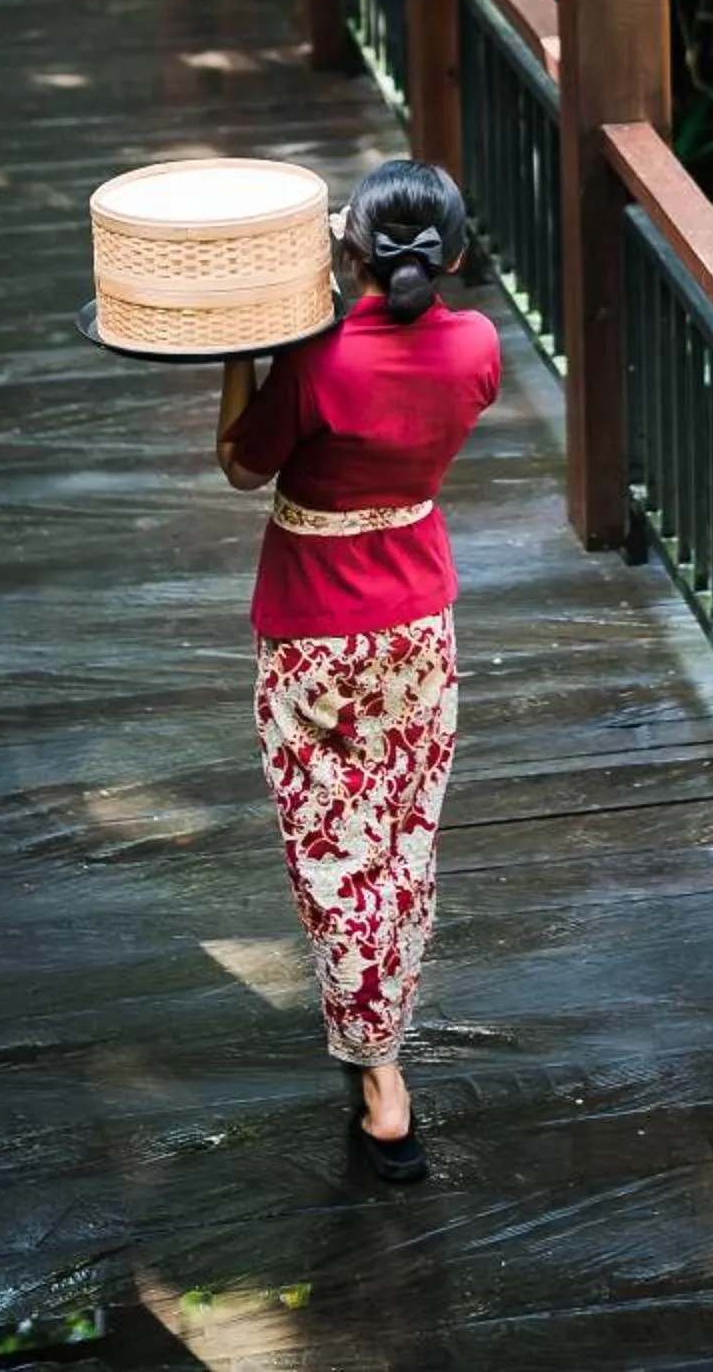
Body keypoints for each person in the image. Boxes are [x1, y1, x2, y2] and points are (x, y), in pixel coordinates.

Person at [215, 159, 499, 1185]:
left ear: (352, 251)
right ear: (456, 255)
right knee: (403, 840)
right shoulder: (477, 347)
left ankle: (381, 1076)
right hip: (418, 622)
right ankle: (382, 1028)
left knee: (334, 850)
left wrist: (248, 347)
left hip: (312, 631)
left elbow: (242, 466)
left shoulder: (319, 360)